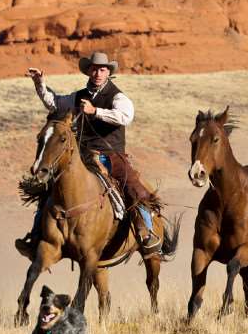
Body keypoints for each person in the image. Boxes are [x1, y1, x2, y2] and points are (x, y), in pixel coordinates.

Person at [17, 52, 160, 257]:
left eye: (102, 70)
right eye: (94, 69)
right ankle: (36, 236)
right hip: (82, 156)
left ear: (108, 72)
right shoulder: (78, 96)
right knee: (47, 189)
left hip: (112, 156)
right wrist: (40, 83)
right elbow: (54, 103)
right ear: (88, 72)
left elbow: (125, 116)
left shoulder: (118, 97)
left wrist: (96, 111)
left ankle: (146, 232)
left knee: (134, 188)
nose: (98, 73)